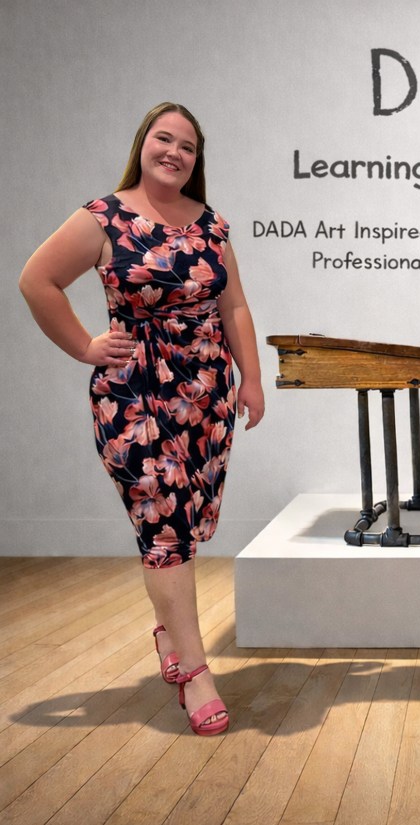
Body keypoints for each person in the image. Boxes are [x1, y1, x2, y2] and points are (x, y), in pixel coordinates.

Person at [19, 102, 265, 736]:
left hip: (206, 395)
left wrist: (253, 379)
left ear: (195, 159)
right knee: (161, 522)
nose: (174, 153)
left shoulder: (211, 224)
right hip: (133, 395)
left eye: (187, 146)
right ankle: (196, 672)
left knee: (185, 522)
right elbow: (37, 280)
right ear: (143, 143)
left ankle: (170, 635)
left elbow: (233, 304)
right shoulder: (103, 217)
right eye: (164, 139)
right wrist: (85, 346)